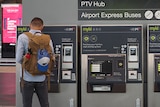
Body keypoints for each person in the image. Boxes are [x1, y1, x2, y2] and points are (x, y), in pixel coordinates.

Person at [16, 17, 54, 107]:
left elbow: (18, 59)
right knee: (44, 103)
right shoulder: (47, 38)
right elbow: (51, 55)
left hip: (27, 77)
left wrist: (27, 62)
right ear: (42, 27)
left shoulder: (22, 37)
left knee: (27, 104)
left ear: (30, 25)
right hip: (42, 76)